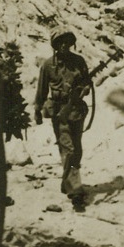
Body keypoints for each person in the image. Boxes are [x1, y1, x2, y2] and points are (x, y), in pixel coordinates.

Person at [34, 27, 93, 212]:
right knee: (68, 148)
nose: (65, 45)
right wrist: (37, 109)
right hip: (59, 111)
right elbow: (41, 90)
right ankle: (76, 192)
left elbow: (87, 84)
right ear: (55, 45)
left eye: (67, 41)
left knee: (77, 149)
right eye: (61, 42)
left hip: (77, 111)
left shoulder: (79, 61)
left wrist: (84, 90)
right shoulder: (48, 65)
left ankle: (67, 181)